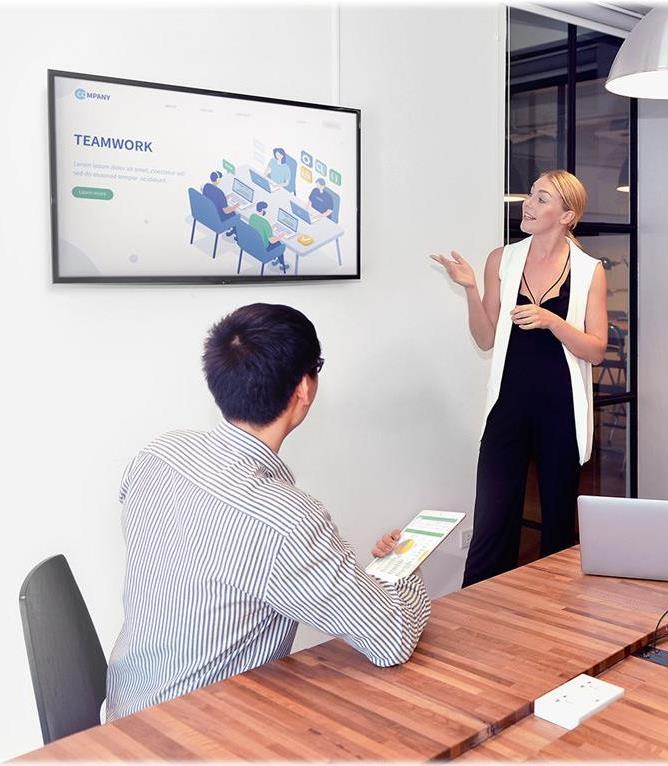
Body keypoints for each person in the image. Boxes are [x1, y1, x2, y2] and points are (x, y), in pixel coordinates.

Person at [106, 304, 431, 720]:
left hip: (123, 718)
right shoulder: (288, 519)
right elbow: (392, 638)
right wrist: (403, 569)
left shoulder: (159, 454)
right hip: (201, 735)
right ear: (303, 389)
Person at [431, 170, 608, 587]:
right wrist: (471, 289)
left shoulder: (589, 271)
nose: (528, 204)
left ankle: (558, 609)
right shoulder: (502, 259)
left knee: (558, 522)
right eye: (530, 195)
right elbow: (485, 338)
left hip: (561, 410)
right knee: (492, 520)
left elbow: (596, 350)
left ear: (567, 215)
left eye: (541, 198)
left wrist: (552, 321)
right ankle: (479, 607)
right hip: (507, 406)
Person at [249, 200, 289, 272]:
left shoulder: (252, 217)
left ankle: (275, 259)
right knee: (279, 244)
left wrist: (269, 229)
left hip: (254, 244)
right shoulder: (265, 223)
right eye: (265, 209)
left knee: (275, 241)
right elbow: (272, 241)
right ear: (262, 210)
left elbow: (259, 229)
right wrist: (281, 235)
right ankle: (282, 265)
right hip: (263, 248)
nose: (266, 211)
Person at [201, 170, 238, 237]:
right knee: (234, 213)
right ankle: (235, 232)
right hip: (219, 218)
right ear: (218, 180)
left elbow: (213, 198)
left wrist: (224, 198)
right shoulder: (220, 193)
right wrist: (236, 206)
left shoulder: (206, 186)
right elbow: (226, 211)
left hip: (209, 213)